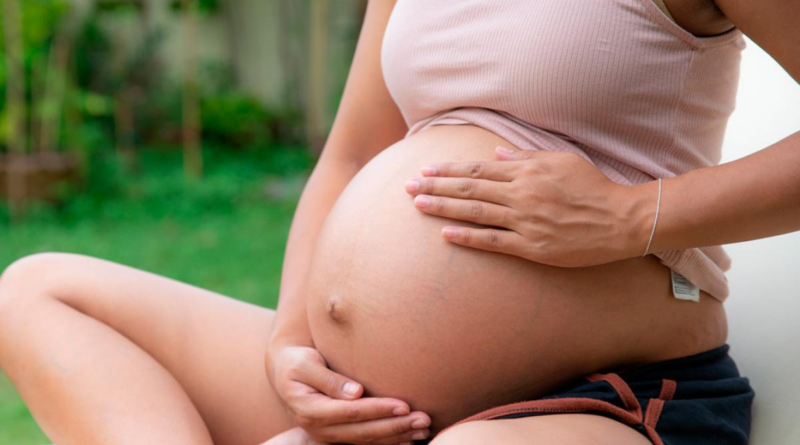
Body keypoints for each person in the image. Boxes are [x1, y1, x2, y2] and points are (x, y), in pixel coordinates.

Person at [0, 1, 797, 444]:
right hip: (363, 399)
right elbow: (350, 154)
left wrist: (629, 216)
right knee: (38, 293)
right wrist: (290, 341)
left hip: (600, 399)